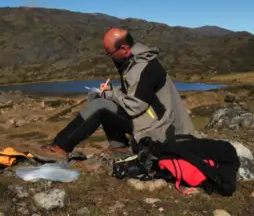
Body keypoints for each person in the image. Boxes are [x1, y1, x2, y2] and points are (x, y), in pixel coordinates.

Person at [30, 28, 194, 161]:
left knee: (101, 107)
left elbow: (134, 107)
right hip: (156, 120)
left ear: (124, 48)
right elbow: (136, 96)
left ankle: (60, 148)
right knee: (102, 100)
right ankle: (119, 146)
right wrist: (111, 93)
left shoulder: (141, 68)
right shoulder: (135, 60)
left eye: (110, 53)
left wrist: (112, 93)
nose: (110, 57)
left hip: (159, 129)